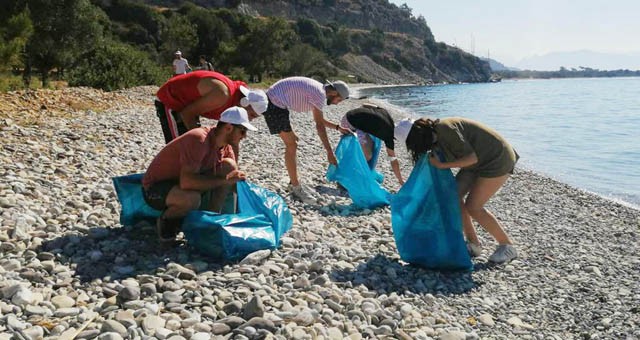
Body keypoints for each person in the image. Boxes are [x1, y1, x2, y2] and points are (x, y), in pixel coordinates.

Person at [394, 117, 519, 263]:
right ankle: (473, 244)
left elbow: (472, 158)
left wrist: (442, 166)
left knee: (473, 207)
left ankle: (508, 246)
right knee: (452, 197)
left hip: (497, 159)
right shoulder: (434, 139)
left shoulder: (445, 129)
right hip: (476, 163)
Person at [142, 106, 257, 245]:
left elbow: (230, 178)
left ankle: (211, 219)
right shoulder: (198, 139)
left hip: (183, 184)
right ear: (228, 128)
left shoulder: (225, 146)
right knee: (191, 199)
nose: (244, 136)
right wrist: (224, 181)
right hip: (156, 189)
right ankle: (167, 221)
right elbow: (187, 183)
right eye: (242, 131)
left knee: (229, 166)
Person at [262, 77, 350, 204]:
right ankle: (296, 187)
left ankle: (293, 182)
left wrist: (338, 128)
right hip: (274, 105)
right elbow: (319, 126)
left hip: (275, 102)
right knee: (292, 144)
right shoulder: (319, 94)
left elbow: (319, 121)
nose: (337, 103)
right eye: (339, 100)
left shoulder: (318, 90)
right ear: (334, 93)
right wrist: (329, 152)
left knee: (293, 141)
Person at [154, 71, 268, 145]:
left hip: (188, 105)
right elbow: (187, 114)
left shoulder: (235, 101)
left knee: (193, 147)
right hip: (172, 99)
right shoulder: (221, 95)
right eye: (252, 115)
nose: (250, 119)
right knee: (179, 148)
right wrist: (203, 143)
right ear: (244, 102)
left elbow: (226, 133)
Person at [339, 104, 404, 185]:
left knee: (372, 146)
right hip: (349, 123)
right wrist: (400, 180)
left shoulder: (388, 117)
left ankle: (360, 172)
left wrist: (363, 116)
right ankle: (347, 176)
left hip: (351, 116)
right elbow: (393, 159)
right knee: (367, 155)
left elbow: (366, 105)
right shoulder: (388, 135)